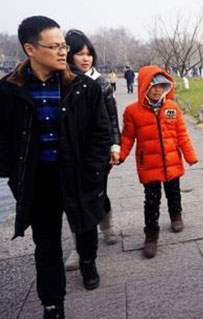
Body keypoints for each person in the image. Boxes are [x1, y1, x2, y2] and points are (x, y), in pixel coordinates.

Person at [0, 16, 111, 318]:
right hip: (38, 181)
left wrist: (93, 172)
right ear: (30, 49)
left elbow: (101, 133)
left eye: (64, 46)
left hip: (77, 175)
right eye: (55, 46)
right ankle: (52, 303)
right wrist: (14, 176)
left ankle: (88, 261)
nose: (64, 52)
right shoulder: (9, 91)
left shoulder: (84, 87)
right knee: (45, 245)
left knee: (85, 227)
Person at [119, 65, 198, 259]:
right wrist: (120, 155)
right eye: (153, 86)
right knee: (152, 200)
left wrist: (190, 156)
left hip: (171, 161)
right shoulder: (132, 111)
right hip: (149, 164)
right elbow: (127, 137)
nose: (157, 90)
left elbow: (181, 134)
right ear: (144, 86)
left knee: (174, 192)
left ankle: (176, 215)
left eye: (162, 86)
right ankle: (152, 234)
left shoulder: (172, 108)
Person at [63, 29, 121, 272]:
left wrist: (114, 146)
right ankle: (80, 248)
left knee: (98, 193)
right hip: (69, 154)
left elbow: (112, 119)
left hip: (98, 153)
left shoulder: (102, 83)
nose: (86, 59)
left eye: (89, 54)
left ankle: (106, 227)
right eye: (79, 54)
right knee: (74, 202)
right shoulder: (61, 82)